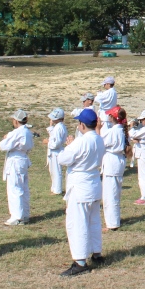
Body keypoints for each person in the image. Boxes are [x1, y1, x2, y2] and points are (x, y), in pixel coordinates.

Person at [57, 108, 105, 276]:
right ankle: (96, 252)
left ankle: (80, 261)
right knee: (94, 221)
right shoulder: (99, 139)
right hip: (94, 182)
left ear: (82, 125)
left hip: (80, 185)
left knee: (77, 223)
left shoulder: (81, 141)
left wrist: (69, 146)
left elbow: (63, 159)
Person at [0, 110, 34, 226]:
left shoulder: (17, 132)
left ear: (16, 121)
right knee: (23, 188)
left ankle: (17, 216)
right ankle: (24, 215)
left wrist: (6, 138)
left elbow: (3, 146)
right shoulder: (27, 132)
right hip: (23, 159)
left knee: (15, 188)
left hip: (16, 160)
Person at [100, 108, 126, 231]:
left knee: (110, 195)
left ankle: (112, 223)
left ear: (112, 117)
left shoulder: (113, 131)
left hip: (112, 163)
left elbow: (101, 142)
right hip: (117, 161)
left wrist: (98, 128)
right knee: (114, 193)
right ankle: (113, 220)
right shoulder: (120, 130)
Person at [129, 110, 145, 205]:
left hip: (144, 153)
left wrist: (132, 126)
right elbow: (134, 136)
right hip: (143, 153)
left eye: (142, 120)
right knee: (144, 175)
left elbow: (133, 134)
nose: (141, 122)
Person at [46, 108, 68, 195]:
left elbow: (57, 143)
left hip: (56, 152)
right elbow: (53, 136)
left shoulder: (59, 127)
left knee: (56, 171)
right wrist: (51, 126)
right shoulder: (58, 127)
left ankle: (57, 189)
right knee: (52, 171)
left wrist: (48, 143)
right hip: (54, 151)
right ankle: (54, 188)